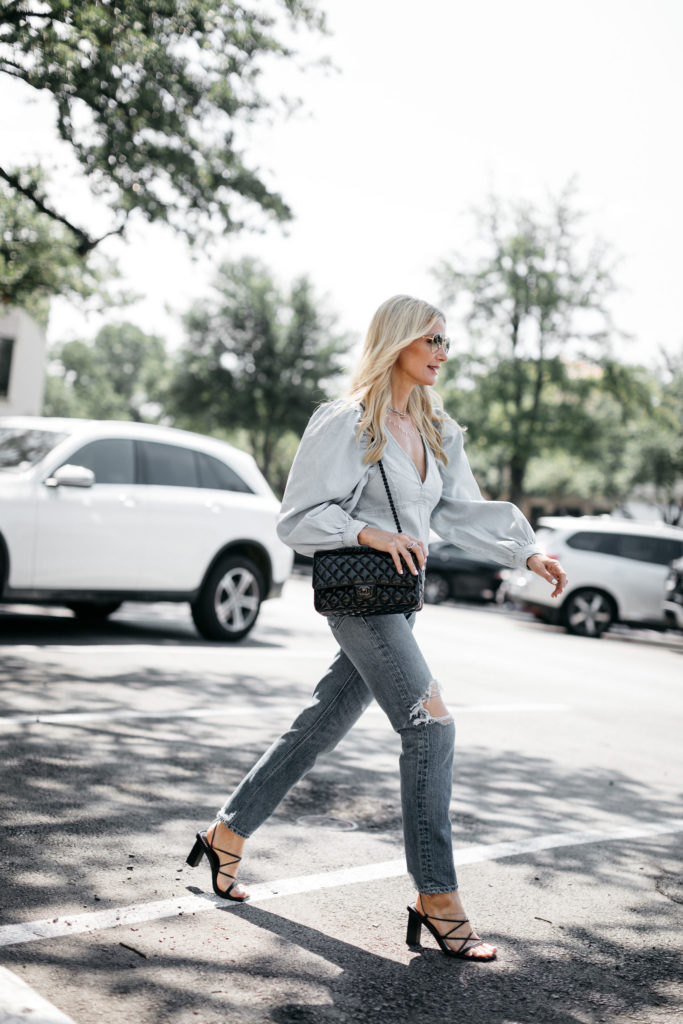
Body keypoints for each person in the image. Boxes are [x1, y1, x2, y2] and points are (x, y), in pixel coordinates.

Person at [187, 294, 567, 961]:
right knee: (432, 726)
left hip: (401, 602)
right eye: (431, 340)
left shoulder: (435, 429)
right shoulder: (346, 422)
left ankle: (226, 834)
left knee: (320, 725)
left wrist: (526, 553)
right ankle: (436, 897)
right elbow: (297, 517)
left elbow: (459, 511)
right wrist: (368, 531)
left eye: (446, 341)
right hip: (359, 598)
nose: (443, 353)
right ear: (397, 342)